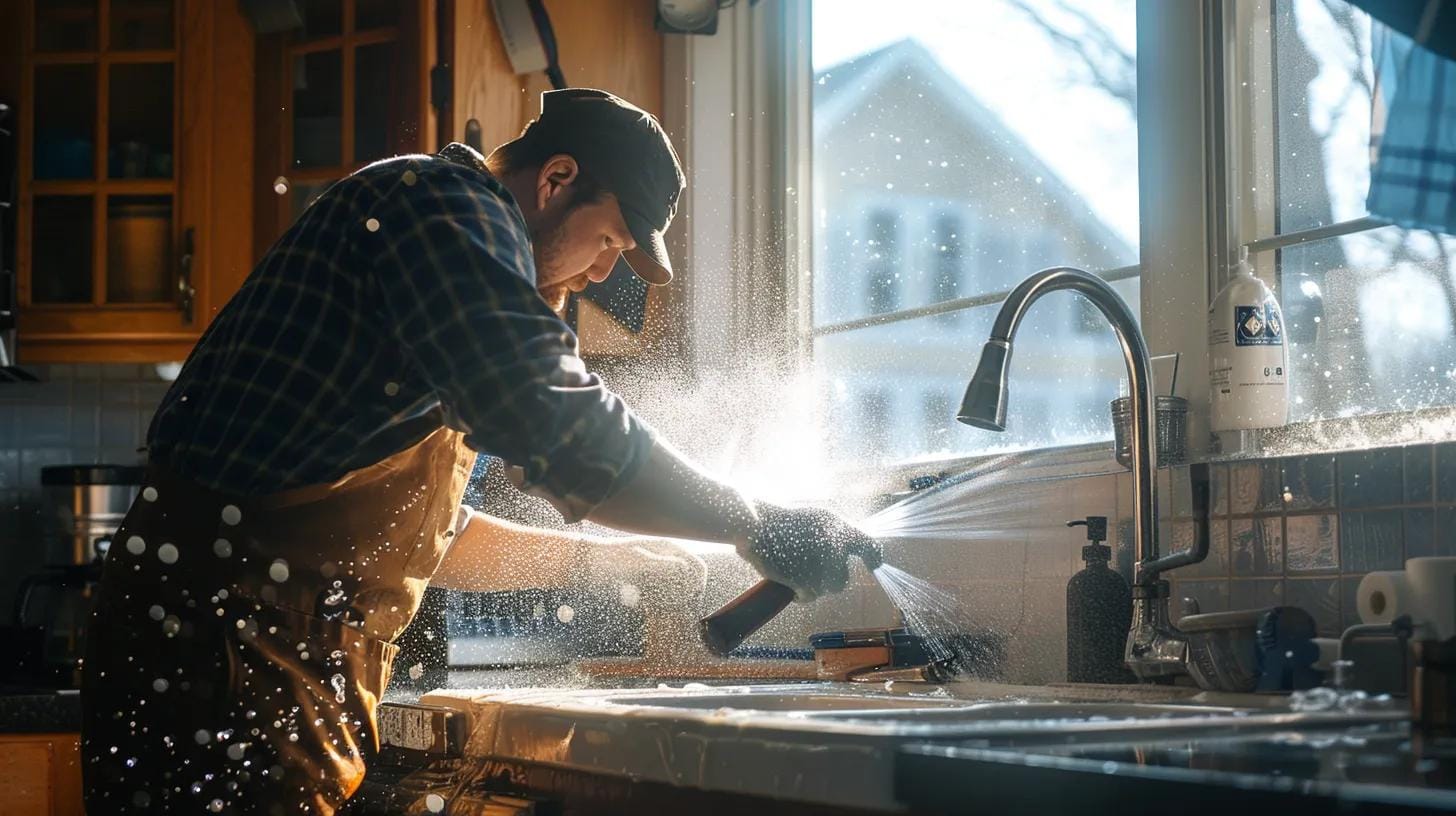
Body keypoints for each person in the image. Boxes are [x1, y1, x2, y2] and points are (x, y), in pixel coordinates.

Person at [80, 88, 880, 815]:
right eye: (607, 238)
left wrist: (615, 558)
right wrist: (750, 522)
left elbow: (420, 535)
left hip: (250, 654)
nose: (603, 270)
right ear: (555, 178)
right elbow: (558, 421)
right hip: (224, 658)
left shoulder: (443, 233)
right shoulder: (441, 207)